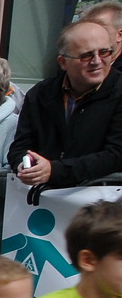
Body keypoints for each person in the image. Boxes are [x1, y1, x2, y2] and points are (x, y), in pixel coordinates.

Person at [10, 20, 122, 189]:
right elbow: (20, 147)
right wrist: (26, 166)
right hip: (42, 203)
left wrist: (55, 171)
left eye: (105, 52)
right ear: (63, 62)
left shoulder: (119, 91)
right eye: (86, 55)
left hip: (102, 206)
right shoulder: (40, 94)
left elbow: (116, 155)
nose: (97, 61)